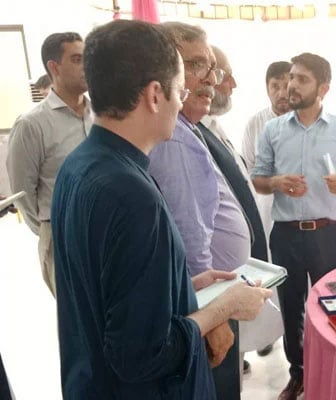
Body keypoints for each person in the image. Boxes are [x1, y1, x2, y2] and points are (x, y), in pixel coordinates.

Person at [51, 19, 271, 399]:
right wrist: (223, 308)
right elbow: (142, 354)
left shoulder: (81, 164)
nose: (181, 100)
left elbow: (111, 293)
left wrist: (182, 289)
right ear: (156, 95)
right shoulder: (133, 196)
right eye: (179, 89)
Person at [251, 53, 336, 400]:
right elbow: (258, 179)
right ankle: (299, 375)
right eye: (292, 77)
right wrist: (277, 182)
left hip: (329, 234)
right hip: (287, 234)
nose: (291, 85)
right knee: (292, 308)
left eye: (302, 79)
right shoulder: (273, 130)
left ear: (323, 88)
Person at [147, 22, 249, 400]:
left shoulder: (188, 128)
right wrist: (211, 317)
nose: (209, 79)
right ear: (164, 71)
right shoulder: (173, 139)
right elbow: (191, 234)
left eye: (212, 68)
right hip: (207, 304)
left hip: (214, 298)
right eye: (195, 66)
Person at [198, 46, 283, 374]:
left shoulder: (211, 126)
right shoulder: (184, 137)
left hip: (231, 284)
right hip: (213, 289)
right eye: (221, 74)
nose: (231, 82)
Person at [6, 31, 92, 296]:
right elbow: (22, 191)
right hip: (62, 234)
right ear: (54, 67)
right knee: (78, 317)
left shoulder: (99, 114)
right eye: (77, 59)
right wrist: (49, 227)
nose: (86, 66)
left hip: (103, 227)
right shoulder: (33, 124)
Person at [241, 61, 292, 245]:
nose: (282, 93)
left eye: (286, 86)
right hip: (267, 214)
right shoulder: (255, 124)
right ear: (267, 89)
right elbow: (246, 173)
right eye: (275, 87)